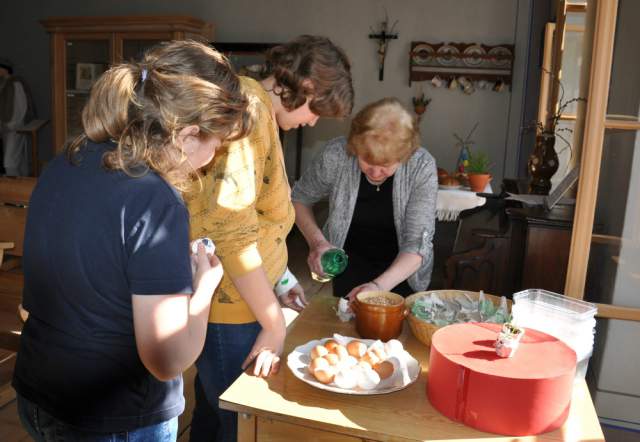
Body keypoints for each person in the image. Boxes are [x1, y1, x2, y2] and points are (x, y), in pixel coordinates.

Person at [12, 40, 251, 441]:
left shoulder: (69, 159)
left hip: (40, 394)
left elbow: (95, 267)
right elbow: (166, 359)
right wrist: (204, 289)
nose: (213, 158)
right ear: (188, 135)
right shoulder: (155, 200)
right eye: (218, 145)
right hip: (112, 415)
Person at [186, 35, 353, 442]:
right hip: (232, 307)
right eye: (316, 110)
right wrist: (274, 323)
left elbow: (257, 222)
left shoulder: (255, 108)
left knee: (212, 419)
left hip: (242, 298)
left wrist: (280, 278)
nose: (313, 122)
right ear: (306, 86)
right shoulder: (250, 111)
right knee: (240, 428)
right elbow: (231, 230)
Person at [292, 97, 437, 300]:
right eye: (367, 161)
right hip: (349, 268)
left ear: (405, 156)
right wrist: (317, 242)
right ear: (354, 147)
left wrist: (378, 286)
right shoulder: (336, 155)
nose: (375, 173)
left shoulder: (421, 166)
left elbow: (417, 243)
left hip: (402, 271)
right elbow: (299, 198)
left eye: (386, 165)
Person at [0, 58, 35, 176]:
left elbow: (21, 106)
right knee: (18, 159)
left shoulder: (15, 84)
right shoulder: (5, 84)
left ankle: (15, 184)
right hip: (8, 128)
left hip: (15, 128)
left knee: (9, 161)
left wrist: (12, 125)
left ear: (5, 69)